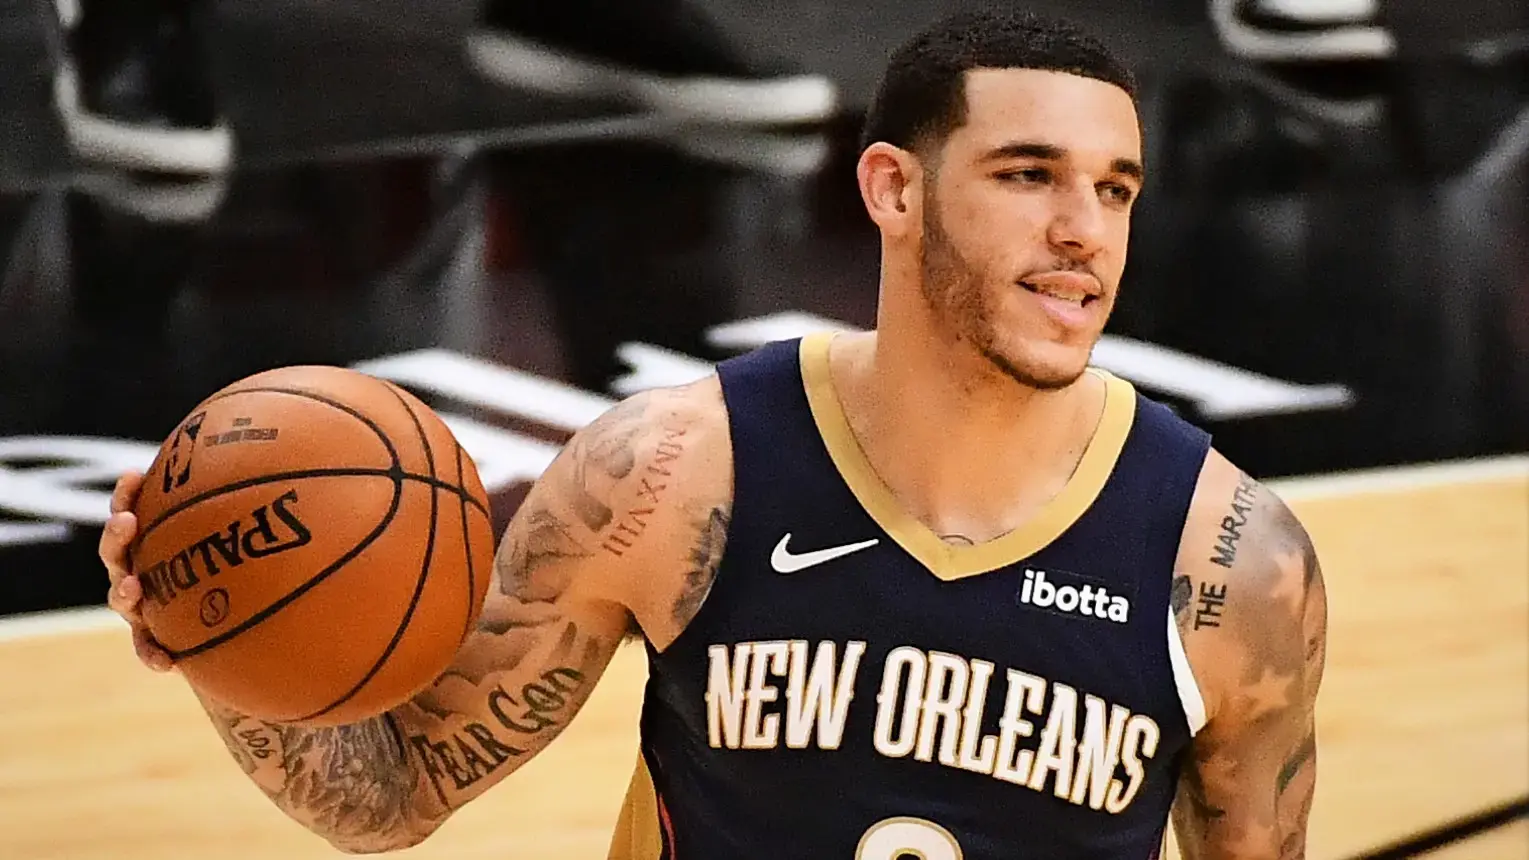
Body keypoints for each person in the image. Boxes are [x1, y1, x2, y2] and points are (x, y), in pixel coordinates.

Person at [98, 9, 1328, 858]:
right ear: (892, 189)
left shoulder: (1229, 566)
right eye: (1026, 174)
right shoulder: (674, 474)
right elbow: (391, 791)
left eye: (1112, 187)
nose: (1083, 229)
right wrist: (223, 632)